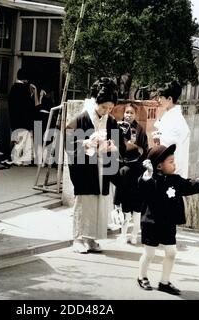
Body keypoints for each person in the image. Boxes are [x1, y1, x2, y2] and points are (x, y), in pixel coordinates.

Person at [137, 144, 199, 295]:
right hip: (150, 223)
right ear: (159, 166)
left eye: (174, 161)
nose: (174, 164)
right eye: (171, 162)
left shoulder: (176, 180)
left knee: (171, 252)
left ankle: (164, 282)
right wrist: (148, 174)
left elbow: (190, 185)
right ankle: (142, 276)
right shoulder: (151, 179)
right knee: (149, 253)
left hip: (168, 223)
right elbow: (144, 187)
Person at [66, 77, 125, 254]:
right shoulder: (81, 119)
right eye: (103, 107)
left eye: (110, 108)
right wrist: (86, 143)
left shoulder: (111, 121)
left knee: (99, 203)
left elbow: (119, 145)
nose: (106, 110)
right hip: (85, 167)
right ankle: (77, 238)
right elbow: (69, 142)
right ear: (95, 101)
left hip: (103, 168)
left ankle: (91, 238)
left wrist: (111, 147)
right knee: (84, 202)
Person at [114, 104, 148, 244]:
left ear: (135, 115)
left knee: (136, 209)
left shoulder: (139, 130)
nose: (128, 115)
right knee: (125, 207)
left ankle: (134, 235)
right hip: (122, 167)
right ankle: (123, 235)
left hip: (136, 169)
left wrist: (135, 148)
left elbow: (144, 150)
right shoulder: (117, 127)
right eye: (127, 112)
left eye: (131, 113)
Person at [153, 81, 190, 178]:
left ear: (169, 99)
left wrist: (158, 139)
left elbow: (165, 147)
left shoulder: (175, 119)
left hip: (172, 171)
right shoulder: (171, 116)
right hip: (171, 169)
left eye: (161, 97)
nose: (159, 100)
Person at [8, 68, 38, 166]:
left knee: (21, 140)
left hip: (15, 119)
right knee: (22, 141)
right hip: (23, 121)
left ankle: (22, 159)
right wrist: (33, 93)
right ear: (26, 79)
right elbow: (30, 105)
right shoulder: (23, 89)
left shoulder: (13, 88)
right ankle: (16, 159)